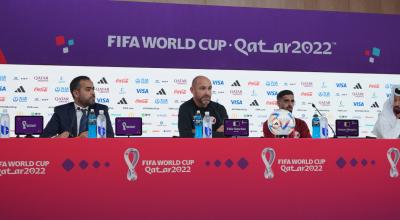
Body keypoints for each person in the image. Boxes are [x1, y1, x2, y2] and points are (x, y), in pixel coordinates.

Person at [41, 76, 114, 138]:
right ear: (76, 93)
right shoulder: (61, 111)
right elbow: (43, 139)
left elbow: (110, 136)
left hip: (94, 151)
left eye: (93, 89)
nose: (93, 93)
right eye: (88, 89)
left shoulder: (101, 110)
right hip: (67, 153)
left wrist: (94, 135)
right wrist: (58, 139)